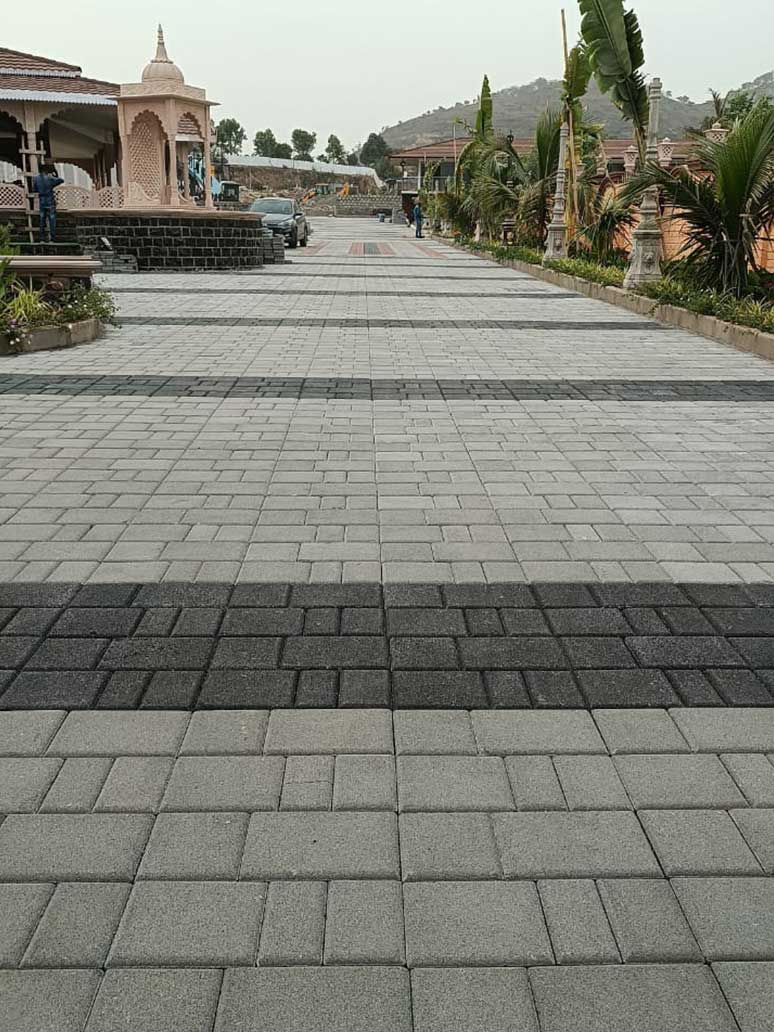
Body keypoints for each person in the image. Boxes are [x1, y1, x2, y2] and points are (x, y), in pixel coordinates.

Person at [32, 164, 64, 242]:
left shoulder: (36, 179)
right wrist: (55, 173)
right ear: (47, 171)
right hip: (50, 200)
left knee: (42, 219)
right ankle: (52, 238)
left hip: (42, 200)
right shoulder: (50, 178)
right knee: (52, 219)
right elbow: (61, 180)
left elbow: (34, 189)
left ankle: (42, 238)